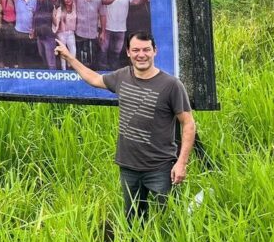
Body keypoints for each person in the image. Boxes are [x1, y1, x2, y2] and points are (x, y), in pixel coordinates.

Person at [55, 31, 196, 222]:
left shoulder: (171, 85)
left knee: (171, 219)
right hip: (128, 166)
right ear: (128, 52)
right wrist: (69, 57)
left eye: (146, 49)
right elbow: (95, 79)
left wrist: (182, 163)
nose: (141, 54)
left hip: (161, 168)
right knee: (133, 220)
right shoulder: (122, 76)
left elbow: (188, 124)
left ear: (155, 51)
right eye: (136, 50)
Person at [99, 0, 149, 70]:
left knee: (116, 53)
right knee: (103, 51)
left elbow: (136, 2)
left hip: (121, 29)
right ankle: (102, 71)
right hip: (106, 28)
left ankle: (114, 72)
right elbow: (103, 1)